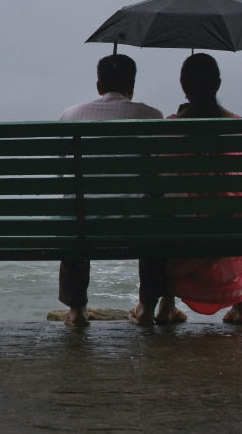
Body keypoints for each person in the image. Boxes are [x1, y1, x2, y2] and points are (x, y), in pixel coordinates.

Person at [142, 53, 242, 325]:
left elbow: (159, 178)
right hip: (231, 224)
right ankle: (241, 308)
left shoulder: (169, 127)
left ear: (183, 86)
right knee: (228, 208)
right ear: (217, 84)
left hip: (183, 224)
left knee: (171, 214)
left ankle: (166, 306)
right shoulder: (237, 125)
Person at [58, 54, 163, 326]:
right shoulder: (153, 117)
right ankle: (147, 308)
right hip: (137, 225)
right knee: (156, 215)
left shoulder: (70, 116)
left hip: (83, 224)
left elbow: (62, 176)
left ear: (98, 86)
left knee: (74, 213)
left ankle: (77, 310)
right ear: (132, 87)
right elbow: (158, 178)